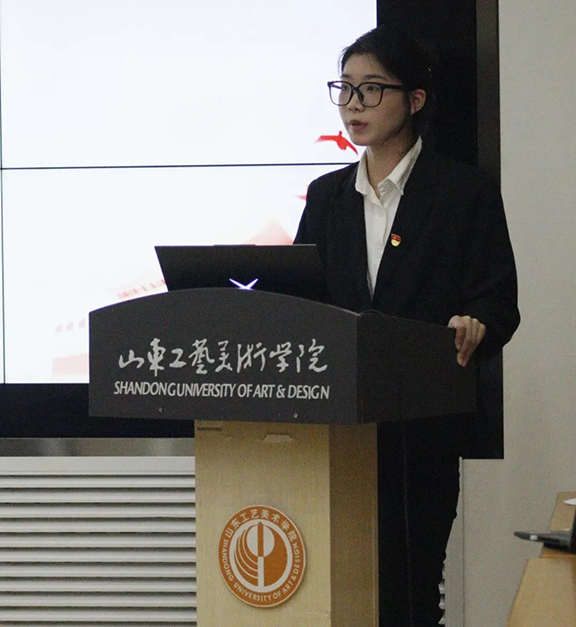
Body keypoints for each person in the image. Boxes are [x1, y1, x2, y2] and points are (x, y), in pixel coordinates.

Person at [294, 25, 520, 627]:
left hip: (422, 431)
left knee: (409, 594)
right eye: (345, 88)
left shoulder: (463, 192)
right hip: (335, 431)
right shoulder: (326, 197)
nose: (353, 104)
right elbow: (301, 301)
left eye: (371, 89)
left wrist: (476, 323)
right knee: (334, 591)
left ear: (414, 99)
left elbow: (498, 300)